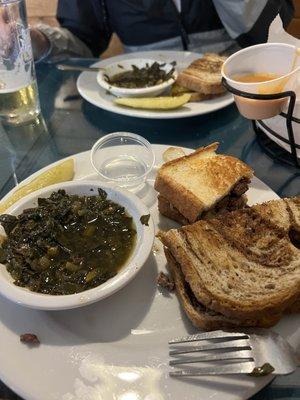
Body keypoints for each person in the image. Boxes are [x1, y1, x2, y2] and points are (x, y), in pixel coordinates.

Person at [31, 0, 294, 62]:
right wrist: (38, 41)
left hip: (238, 87)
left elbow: (277, 20)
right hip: (146, 97)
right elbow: (82, 39)